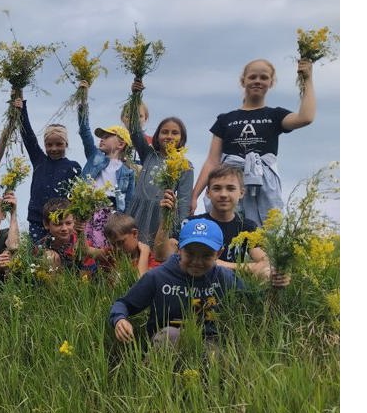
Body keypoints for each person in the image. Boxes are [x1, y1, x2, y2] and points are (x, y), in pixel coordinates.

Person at [110, 218, 288, 352]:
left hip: (210, 343)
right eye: (190, 253)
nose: (197, 261)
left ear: (219, 253)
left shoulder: (224, 277)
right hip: (167, 345)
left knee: (226, 352)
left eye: (206, 255)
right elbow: (124, 304)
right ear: (179, 249)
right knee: (171, 335)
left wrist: (275, 287)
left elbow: (254, 302)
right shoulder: (158, 276)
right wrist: (120, 319)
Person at [190, 58, 316, 225]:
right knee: (227, 232)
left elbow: (306, 117)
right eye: (252, 77)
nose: (258, 81)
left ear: (271, 82)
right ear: (243, 81)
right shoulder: (225, 119)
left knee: (264, 236)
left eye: (263, 77)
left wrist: (307, 78)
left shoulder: (275, 115)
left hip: (263, 186)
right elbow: (212, 161)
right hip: (229, 186)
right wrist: (194, 196)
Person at [153, 165, 276, 280]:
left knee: (267, 273)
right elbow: (162, 256)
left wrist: (219, 264)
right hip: (193, 285)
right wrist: (165, 217)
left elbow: (266, 264)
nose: (223, 194)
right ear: (208, 193)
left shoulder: (247, 227)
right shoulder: (191, 223)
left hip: (228, 289)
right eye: (217, 188)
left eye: (230, 188)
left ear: (241, 193)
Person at [125, 80, 194, 246]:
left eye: (175, 133)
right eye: (164, 132)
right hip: (137, 210)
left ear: (182, 138)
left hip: (162, 215)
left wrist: (178, 229)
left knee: (156, 255)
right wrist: (135, 96)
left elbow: (184, 200)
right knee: (130, 249)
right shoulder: (148, 154)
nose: (169, 136)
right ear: (157, 135)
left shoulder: (185, 165)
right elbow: (134, 130)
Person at [76, 81, 137, 247]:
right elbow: (84, 132)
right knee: (85, 247)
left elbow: (129, 201)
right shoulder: (95, 156)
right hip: (88, 209)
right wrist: (83, 102)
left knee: (106, 249)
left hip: (111, 214)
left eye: (107, 136)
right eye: (101, 136)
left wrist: (124, 222)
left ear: (121, 144)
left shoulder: (128, 172)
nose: (101, 138)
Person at [14, 97, 82, 243]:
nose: (54, 148)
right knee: (38, 257)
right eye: (49, 145)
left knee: (62, 258)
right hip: (37, 220)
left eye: (59, 144)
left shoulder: (73, 167)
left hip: (61, 223)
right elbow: (29, 137)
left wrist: (75, 221)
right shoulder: (39, 160)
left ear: (66, 143)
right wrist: (21, 110)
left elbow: (77, 198)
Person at [34, 198, 100, 277]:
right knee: (50, 257)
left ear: (74, 222)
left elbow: (86, 278)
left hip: (81, 283)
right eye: (58, 224)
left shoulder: (82, 244)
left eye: (68, 223)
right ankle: (55, 289)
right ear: (46, 224)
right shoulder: (41, 246)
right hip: (56, 284)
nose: (64, 228)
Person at [98, 212, 158, 278]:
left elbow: (140, 284)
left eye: (120, 242)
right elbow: (88, 251)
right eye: (113, 244)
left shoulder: (149, 260)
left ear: (135, 233)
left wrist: (144, 253)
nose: (117, 248)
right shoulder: (112, 254)